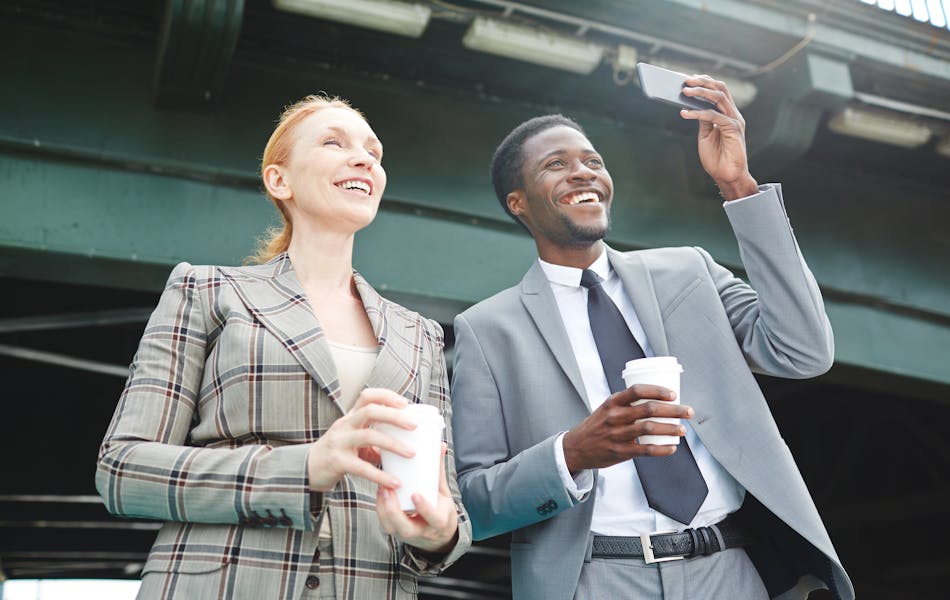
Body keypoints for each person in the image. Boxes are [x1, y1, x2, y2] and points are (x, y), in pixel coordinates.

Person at [451, 76, 854, 599]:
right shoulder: (487, 330)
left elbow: (804, 351)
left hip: (731, 570)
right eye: (555, 164)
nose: (582, 172)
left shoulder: (689, 271)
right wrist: (572, 453)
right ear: (518, 202)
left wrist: (738, 185)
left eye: (592, 160)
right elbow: (473, 503)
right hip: (596, 578)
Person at [96, 95, 471, 599]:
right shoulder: (207, 291)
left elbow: (450, 511)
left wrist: (439, 532)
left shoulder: (420, 335)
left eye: (374, 153)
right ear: (280, 180)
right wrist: (306, 467)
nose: (364, 159)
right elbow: (122, 470)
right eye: (334, 143)